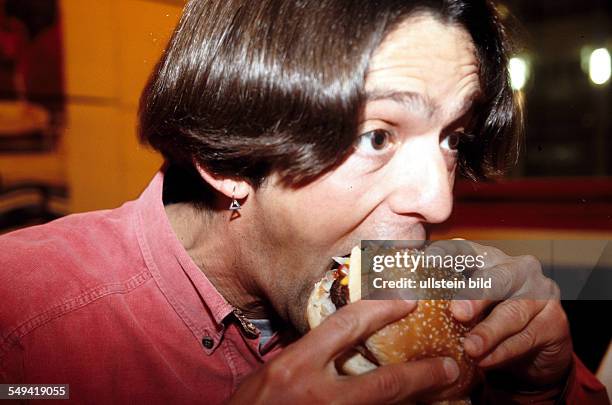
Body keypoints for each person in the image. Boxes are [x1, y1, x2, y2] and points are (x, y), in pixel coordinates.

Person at [0, 0, 609, 403]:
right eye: (377, 136)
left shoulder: (422, 287)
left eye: (451, 138)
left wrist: (545, 388)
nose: (438, 202)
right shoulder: (23, 323)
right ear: (230, 158)